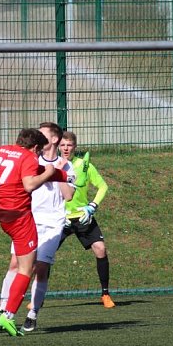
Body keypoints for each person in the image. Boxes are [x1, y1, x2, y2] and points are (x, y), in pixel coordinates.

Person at [0, 128, 67, 336]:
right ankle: (7, 315)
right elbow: (29, 185)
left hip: (0, 212)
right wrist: (47, 172)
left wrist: (59, 174)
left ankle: (4, 310)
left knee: (17, 263)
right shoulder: (29, 157)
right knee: (26, 269)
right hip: (19, 217)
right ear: (35, 147)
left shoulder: (0, 150)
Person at [58, 131, 114, 308]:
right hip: (61, 220)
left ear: (75, 147)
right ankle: (37, 298)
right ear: (58, 146)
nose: (66, 148)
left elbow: (103, 186)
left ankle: (105, 294)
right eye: (63, 145)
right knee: (44, 256)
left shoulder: (85, 166)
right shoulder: (53, 166)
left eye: (69, 145)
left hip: (83, 217)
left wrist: (92, 207)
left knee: (100, 249)